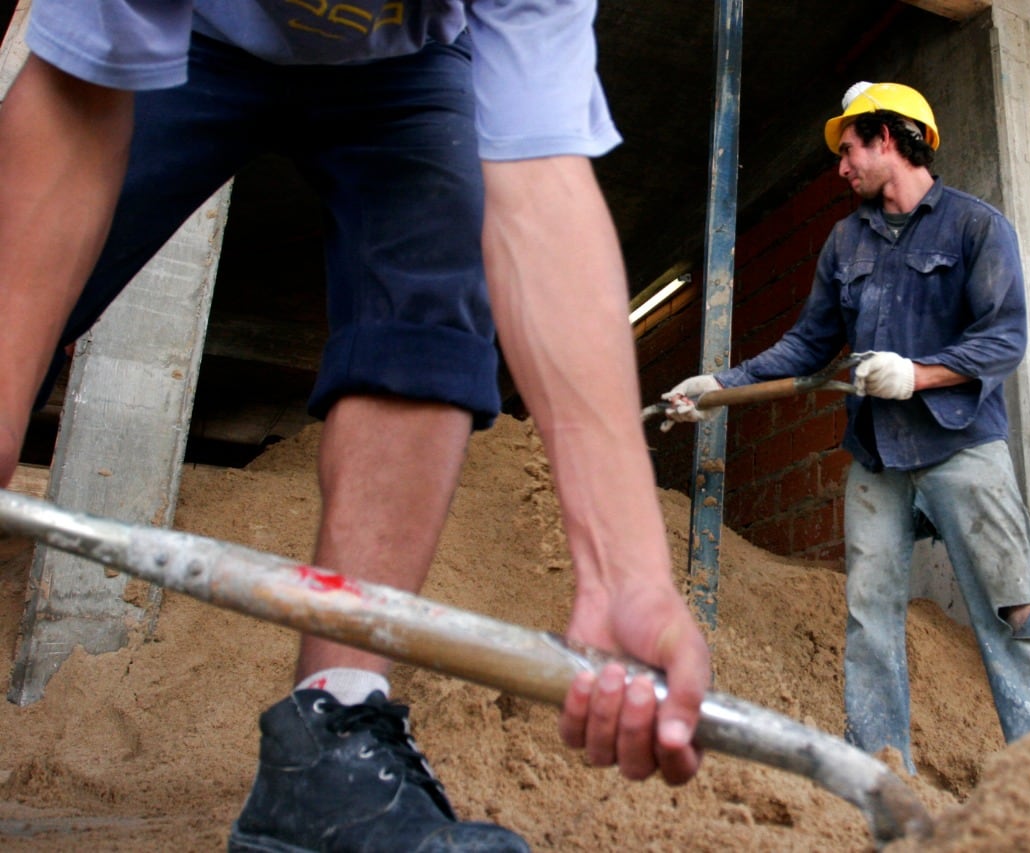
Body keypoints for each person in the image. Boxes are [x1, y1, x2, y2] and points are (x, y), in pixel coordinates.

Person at [0, 2, 711, 849]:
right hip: (192, 29)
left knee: (434, 271)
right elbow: (73, 107)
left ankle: (330, 739)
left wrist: (626, 574)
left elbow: (541, 186)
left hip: (407, 71)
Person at [662, 81, 1030, 773]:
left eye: (849, 148)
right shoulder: (843, 243)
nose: (841, 166)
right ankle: (881, 776)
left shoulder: (975, 227)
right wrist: (719, 385)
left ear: (889, 138)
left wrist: (918, 373)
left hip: (960, 445)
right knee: (868, 619)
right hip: (877, 456)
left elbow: (1003, 338)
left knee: (1014, 612)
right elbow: (807, 346)